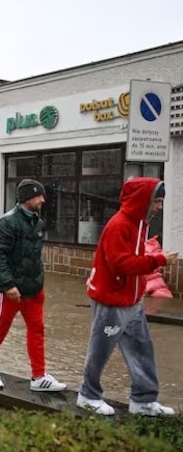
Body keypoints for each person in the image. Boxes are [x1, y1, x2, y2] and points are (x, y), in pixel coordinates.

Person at [77, 177, 178, 416]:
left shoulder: (140, 224)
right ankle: (87, 395)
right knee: (100, 350)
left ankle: (143, 401)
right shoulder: (119, 225)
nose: (159, 207)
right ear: (144, 201)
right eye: (157, 201)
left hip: (133, 301)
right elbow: (121, 264)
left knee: (142, 348)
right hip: (111, 302)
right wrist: (159, 260)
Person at [0, 179, 67, 392]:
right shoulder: (7, 223)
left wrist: (39, 282)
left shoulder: (38, 223)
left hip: (34, 290)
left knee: (37, 330)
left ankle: (39, 376)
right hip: (10, 291)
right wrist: (8, 285)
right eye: (39, 196)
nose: (43, 200)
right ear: (28, 198)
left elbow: (34, 256)